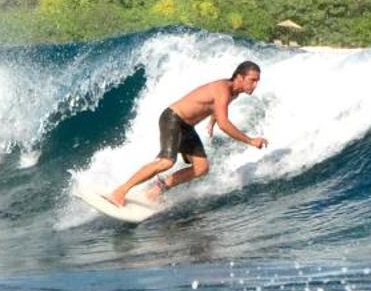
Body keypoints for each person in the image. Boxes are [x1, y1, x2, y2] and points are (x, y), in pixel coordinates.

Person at [107, 61, 267, 207]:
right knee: (166, 162)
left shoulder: (233, 93)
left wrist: (212, 121)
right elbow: (224, 124)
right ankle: (120, 191)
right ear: (239, 76)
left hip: (186, 127)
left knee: (201, 168)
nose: (255, 84)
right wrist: (251, 141)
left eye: (257, 80)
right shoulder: (223, 89)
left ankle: (155, 190)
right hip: (173, 118)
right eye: (253, 80)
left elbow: (217, 108)